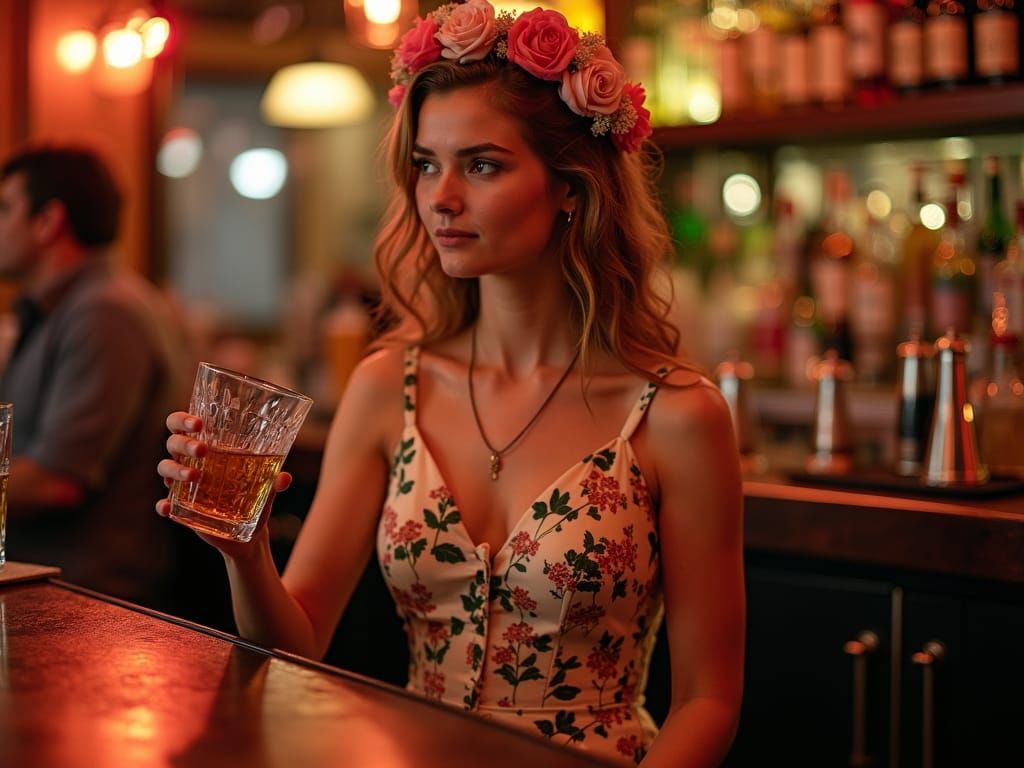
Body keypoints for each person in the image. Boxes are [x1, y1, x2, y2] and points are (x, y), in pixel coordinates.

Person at [157, 3, 745, 765]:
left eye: (483, 164)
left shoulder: (675, 416)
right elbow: (294, 644)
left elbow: (709, 700)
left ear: (571, 186)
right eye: (428, 164)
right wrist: (244, 551)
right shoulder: (387, 386)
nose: (442, 197)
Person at [0, 145, 191, 607]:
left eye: (4, 209)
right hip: (51, 583)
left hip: (88, 598)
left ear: (49, 221)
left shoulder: (104, 311)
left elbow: (57, 479)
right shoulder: (69, 306)